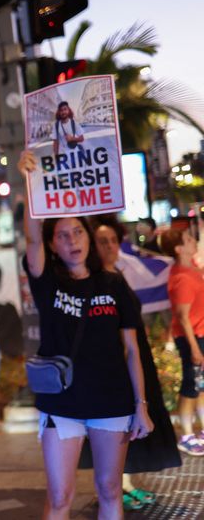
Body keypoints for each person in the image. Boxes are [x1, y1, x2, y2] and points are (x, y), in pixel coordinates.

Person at [18, 150, 153, 520]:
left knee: (110, 489)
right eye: (62, 235)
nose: (72, 240)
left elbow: (131, 350)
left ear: (89, 237)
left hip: (112, 401)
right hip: (61, 405)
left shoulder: (113, 282)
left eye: (78, 231)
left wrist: (141, 406)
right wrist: (31, 182)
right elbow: (30, 239)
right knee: (60, 496)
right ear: (52, 245)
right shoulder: (49, 281)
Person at [85, 216, 181, 510]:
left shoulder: (120, 275)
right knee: (119, 427)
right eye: (103, 241)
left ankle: (127, 484)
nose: (110, 246)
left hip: (135, 357)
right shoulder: (94, 282)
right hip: (116, 365)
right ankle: (119, 487)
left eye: (113, 240)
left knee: (136, 423)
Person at [159, 227, 204, 455]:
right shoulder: (181, 278)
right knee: (190, 386)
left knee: (200, 385)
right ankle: (186, 435)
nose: (193, 241)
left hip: (200, 334)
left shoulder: (191, 268)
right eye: (188, 239)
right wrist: (195, 348)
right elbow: (183, 318)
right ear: (178, 249)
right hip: (191, 337)